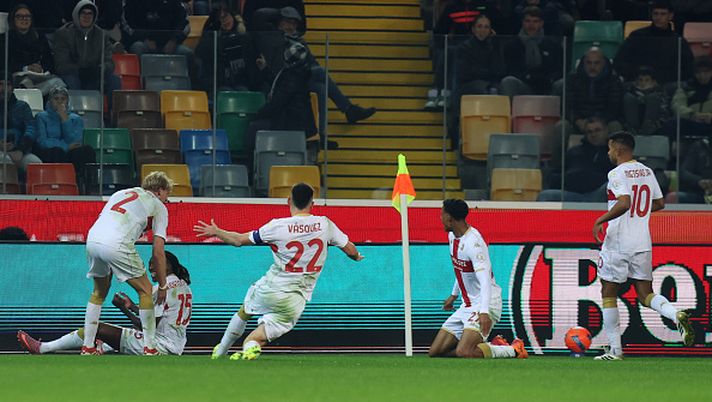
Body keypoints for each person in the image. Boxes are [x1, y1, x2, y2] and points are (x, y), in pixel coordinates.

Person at [196, 182, 364, 360]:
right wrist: (356, 256)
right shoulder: (325, 224)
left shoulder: (277, 226)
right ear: (312, 203)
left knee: (245, 311)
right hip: (297, 298)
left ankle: (221, 351)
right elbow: (351, 250)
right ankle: (250, 346)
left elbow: (238, 240)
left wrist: (216, 231)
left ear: (288, 200)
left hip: (271, 288)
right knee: (260, 336)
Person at [592, 131, 694, 360]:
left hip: (618, 241)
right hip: (642, 242)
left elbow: (625, 202)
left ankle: (615, 351)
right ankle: (675, 313)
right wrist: (641, 211)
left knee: (608, 292)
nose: (608, 153)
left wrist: (602, 219)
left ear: (618, 149)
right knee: (645, 294)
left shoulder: (616, 173)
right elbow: (659, 203)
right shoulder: (647, 171)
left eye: (610, 148)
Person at [17, 251, 192, 355]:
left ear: (169, 266)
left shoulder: (161, 289)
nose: (152, 268)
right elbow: (151, 325)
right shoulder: (184, 286)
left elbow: (146, 326)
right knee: (111, 334)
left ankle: (43, 348)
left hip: (160, 346)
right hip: (175, 345)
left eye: (156, 264)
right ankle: (102, 345)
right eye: (150, 265)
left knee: (96, 328)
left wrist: (128, 307)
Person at [76, 171, 173, 355]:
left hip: (93, 239)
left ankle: (88, 347)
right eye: (167, 194)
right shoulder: (158, 206)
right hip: (117, 243)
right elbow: (158, 251)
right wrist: (162, 285)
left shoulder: (120, 193)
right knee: (145, 290)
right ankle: (150, 348)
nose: (167, 199)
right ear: (160, 191)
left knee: (98, 292)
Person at [428, 198, 528, 359]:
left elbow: (485, 281)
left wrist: (484, 312)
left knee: (464, 352)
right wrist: (454, 295)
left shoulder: (474, 243)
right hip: (467, 305)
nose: (440, 218)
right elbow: (460, 267)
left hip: (486, 302)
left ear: (450, 218)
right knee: (435, 352)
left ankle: (513, 350)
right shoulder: (452, 236)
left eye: (442, 214)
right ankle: (488, 347)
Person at [614, 0, 694, 84]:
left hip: (669, 86)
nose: (658, 17)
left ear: (670, 16)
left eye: (663, 14)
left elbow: (688, 68)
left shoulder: (678, 41)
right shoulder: (637, 36)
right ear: (651, 15)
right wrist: (636, 75)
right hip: (639, 84)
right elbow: (619, 61)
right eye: (655, 13)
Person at [537, 116, 613, 202]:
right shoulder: (574, 151)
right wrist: (571, 178)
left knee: (609, 186)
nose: (593, 134)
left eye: (597, 130)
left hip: (598, 194)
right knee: (545, 196)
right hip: (572, 194)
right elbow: (555, 175)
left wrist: (586, 177)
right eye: (589, 132)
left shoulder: (613, 153)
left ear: (606, 131)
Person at [53, 1, 121, 95]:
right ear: (77, 14)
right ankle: (76, 109)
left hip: (94, 73)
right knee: (72, 81)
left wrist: (100, 69)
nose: (87, 17)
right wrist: (80, 70)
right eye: (83, 13)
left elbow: (109, 62)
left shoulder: (101, 35)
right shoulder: (63, 34)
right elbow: (61, 64)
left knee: (114, 80)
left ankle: (113, 109)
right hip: (73, 73)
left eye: (90, 14)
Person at [195, 3, 264, 93]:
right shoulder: (211, 39)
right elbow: (200, 52)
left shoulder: (244, 36)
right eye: (221, 18)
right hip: (219, 83)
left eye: (226, 16)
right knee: (226, 93)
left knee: (243, 92)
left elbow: (252, 60)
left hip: (242, 82)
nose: (225, 21)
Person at [500, 6, 563, 98]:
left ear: (541, 23)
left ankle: (564, 112)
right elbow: (510, 70)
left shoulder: (552, 44)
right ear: (523, 23)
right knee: (508, 81)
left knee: (563, 84)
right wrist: (528, 77)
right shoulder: (512, 45)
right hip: (524, 85)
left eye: (535, 21)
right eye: (528, 21)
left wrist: (548, 79)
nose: (531, 25)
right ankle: (508, 112)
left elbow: (559, 70)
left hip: (548, 86)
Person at [33, 85, 95, 177]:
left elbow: (76, 142)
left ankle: (83, 184)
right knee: (57, 152)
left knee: (86, 150)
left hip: (71, 152)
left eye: (63, 98)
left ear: (67, 101)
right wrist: (65, 146)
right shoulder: (41, 117)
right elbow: (42, 142)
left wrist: (65, 120)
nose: (59, 101)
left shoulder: (76, 119)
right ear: (50, 101)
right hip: (51, 152)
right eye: (56, 98)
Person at [6, 3, 66, 95]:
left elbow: (49, 61)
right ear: (13, 19)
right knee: (26, 82)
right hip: (17, 75)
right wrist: (26, 68)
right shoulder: (6, 39)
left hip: (41, 76)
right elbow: (5, 63)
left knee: (58, 84)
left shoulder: (40, 38)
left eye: (27, 16)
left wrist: (41, 69)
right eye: (19, 16)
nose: (24, 19)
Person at [123, 0, 194, 63]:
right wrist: (144, 39)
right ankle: (141, 77)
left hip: (171, 44)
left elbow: (185, 25)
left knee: (187, 53)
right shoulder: (133, 2)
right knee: (137, 48)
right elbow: (128, 24)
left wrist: (173, 41)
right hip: (143, 43)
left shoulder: (175, 2)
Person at [0, 74, 42, 176]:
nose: (5, 88)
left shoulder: (23, 107)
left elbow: (31, 129)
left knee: (37, 165)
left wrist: (20, 149)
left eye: (8, 84)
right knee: (4, 160)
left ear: (12, 87)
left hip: (20, 151)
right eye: (1, 84)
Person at [623, 66, 671, 135]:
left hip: (654, 128)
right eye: (640, 80)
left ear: (653, 81)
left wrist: (655, 126)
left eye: (647, 80)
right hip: (631, 129)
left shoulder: (660, 94)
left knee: (653, 97)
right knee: (629, 98)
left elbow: (665, 114)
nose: (643, 83)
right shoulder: (629, 92)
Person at [677, 138, 712, 204]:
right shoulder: (699, 147)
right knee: (673, 197)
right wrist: (699, 181)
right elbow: (683, 173)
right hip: (698, 194)